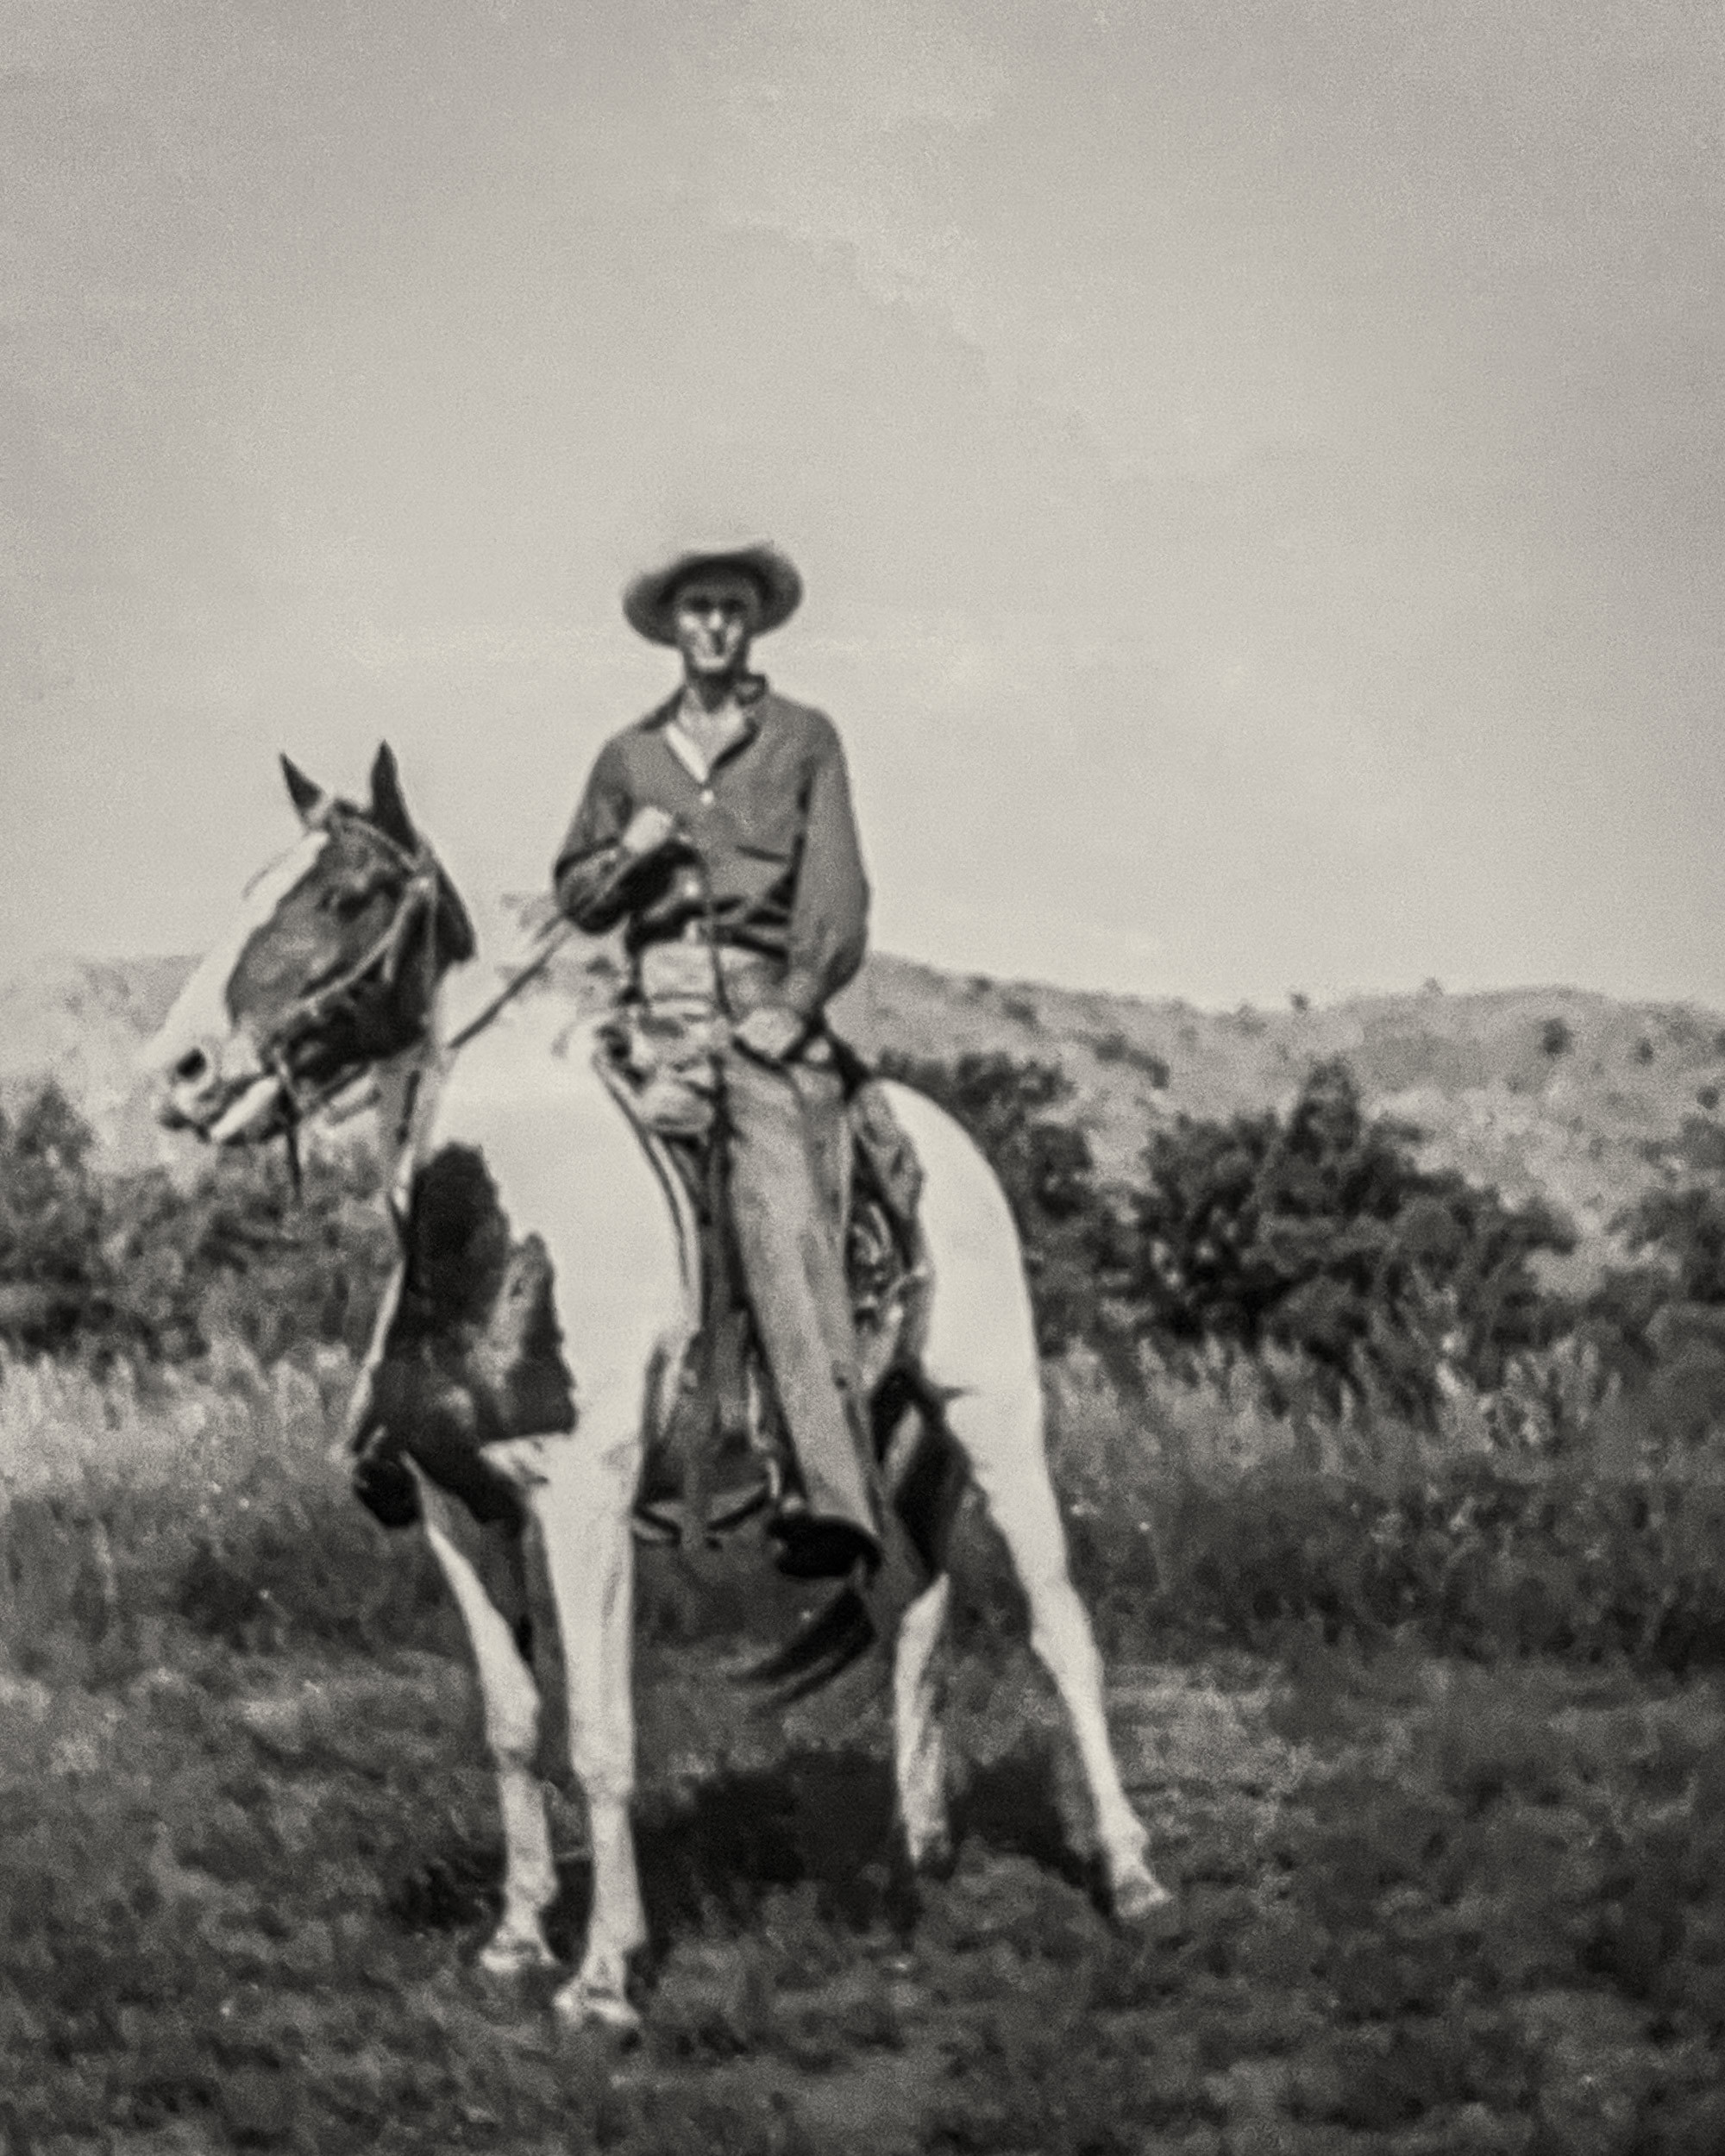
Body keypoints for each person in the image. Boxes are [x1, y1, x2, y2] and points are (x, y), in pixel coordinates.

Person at [552, 542, 886, 1582]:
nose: (712, 625)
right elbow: (576, 894)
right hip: (646, 1006)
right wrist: (627, 855)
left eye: (729, 609)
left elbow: (837, 888)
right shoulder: (627, 758)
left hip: (753, 1007)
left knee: (780, 1213)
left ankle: (824, 1492)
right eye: (696, 609)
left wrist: (792, 1004)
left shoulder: (802, 739)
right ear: (671, 627)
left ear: (753, 625)